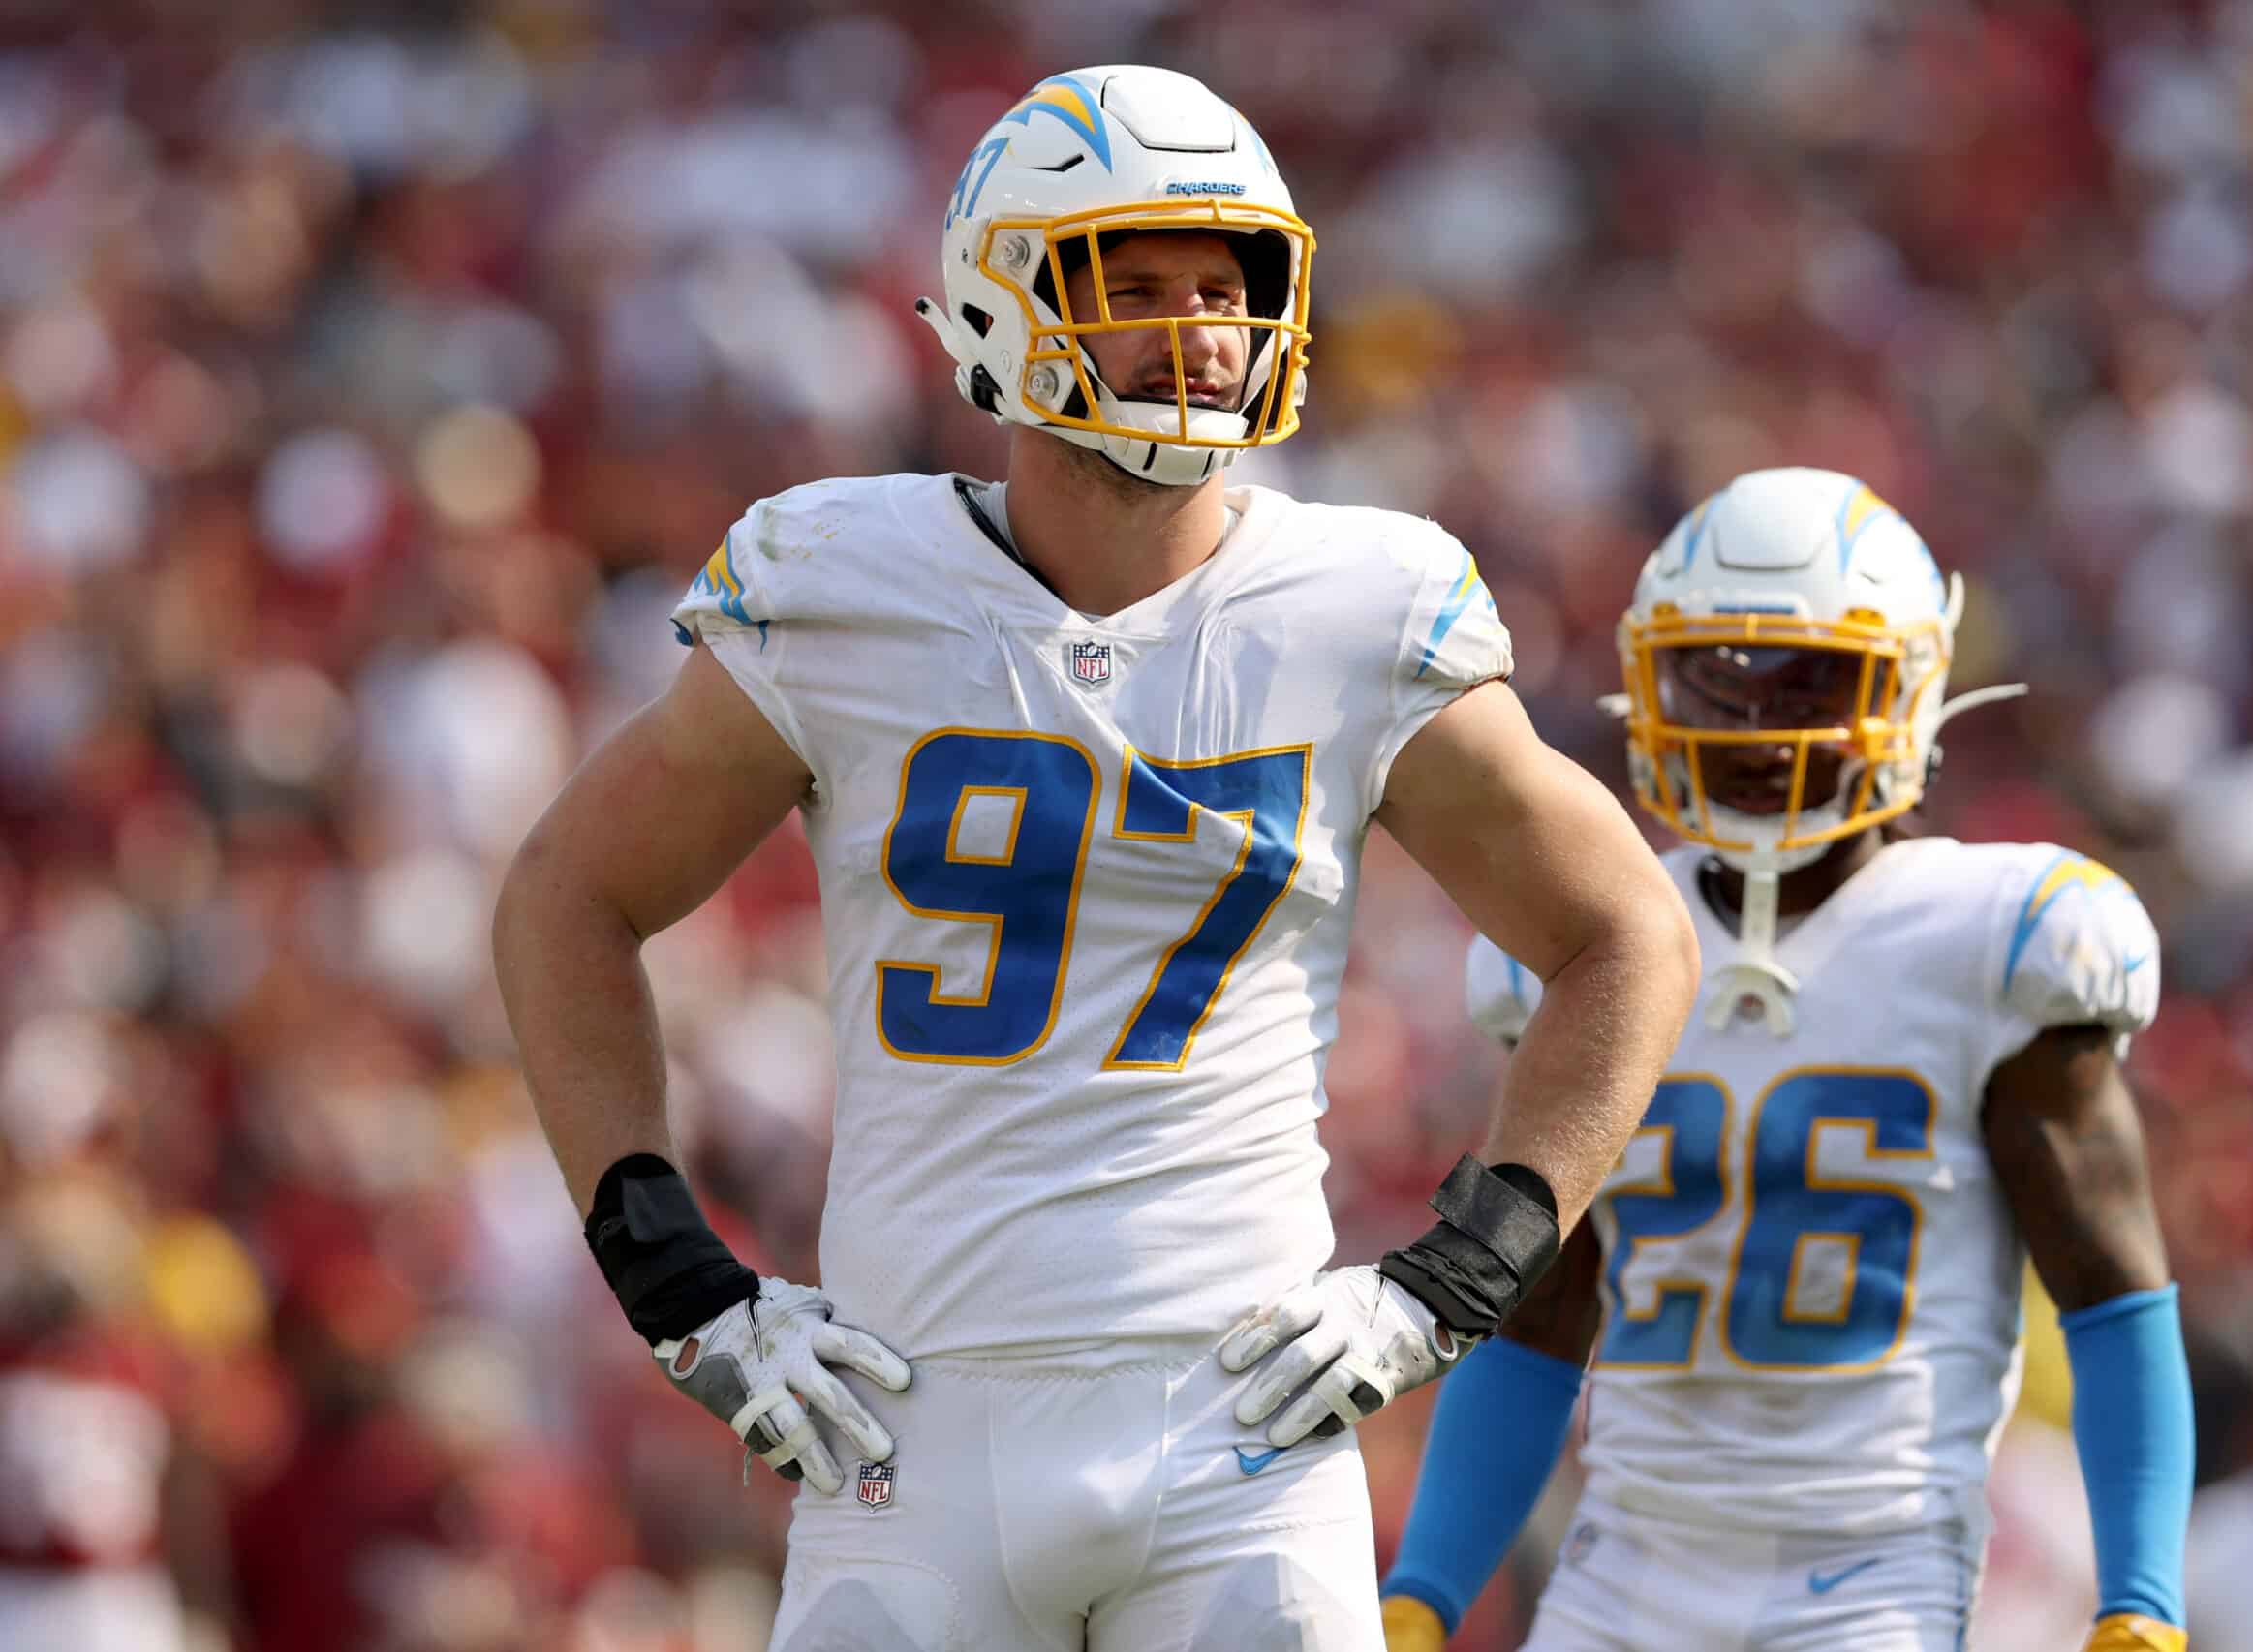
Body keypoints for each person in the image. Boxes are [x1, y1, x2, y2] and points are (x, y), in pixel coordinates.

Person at [493, 64, 1701, 1652]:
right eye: (1131, 282)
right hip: (908, 1431)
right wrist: (675, 1280)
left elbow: (1629, 935)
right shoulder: (840, 582)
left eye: (1227, 283)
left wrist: (1454, 1275)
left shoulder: (1361, 600)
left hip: (1242, 1435)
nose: (1198, 327)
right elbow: (565, 900)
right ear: (999, 298)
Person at [1377, 469, 2195, 1652]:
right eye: (1717, 676)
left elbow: (2114, 1294)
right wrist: (1427, 1588)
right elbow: (1537, 1313)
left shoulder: (1999, 937)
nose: (1758, 724)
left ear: (1908, 687)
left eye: (1812, 678)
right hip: (1626, 1564)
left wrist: (2142, 1597)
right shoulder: (1602, 935)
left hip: (1873, 1576)